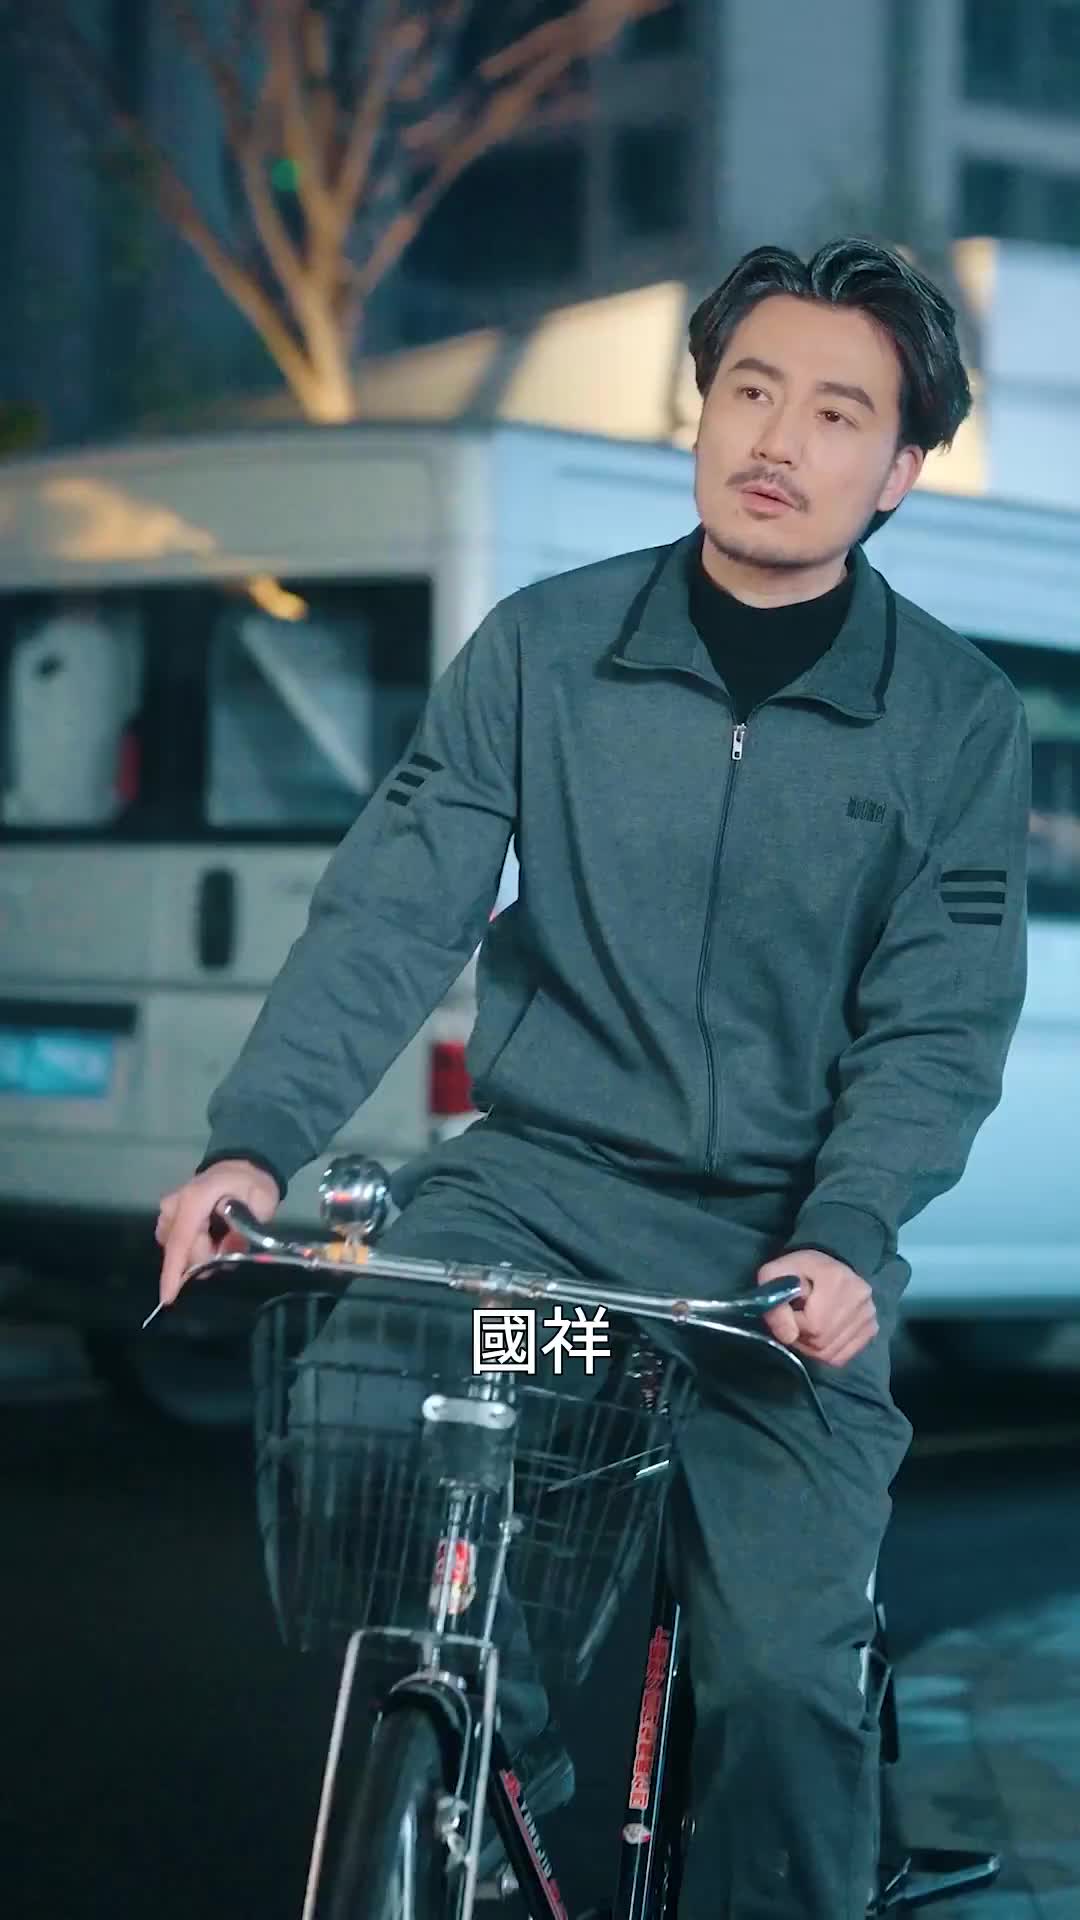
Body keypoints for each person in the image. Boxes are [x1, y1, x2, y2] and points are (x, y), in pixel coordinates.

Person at [156, 239, 1031, 1918]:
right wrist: (253, 1146)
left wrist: (847, 1233)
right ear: (703, 412)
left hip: (769, 1282)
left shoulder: (956, 718)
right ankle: (493, 1779)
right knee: (367, 1409)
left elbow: (937, 1021)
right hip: (540, 1243)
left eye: (838, 411)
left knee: (782, 1687)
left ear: (900, 470)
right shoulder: (544, 650)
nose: (777, 436)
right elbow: (394, 913)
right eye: (751, 389)